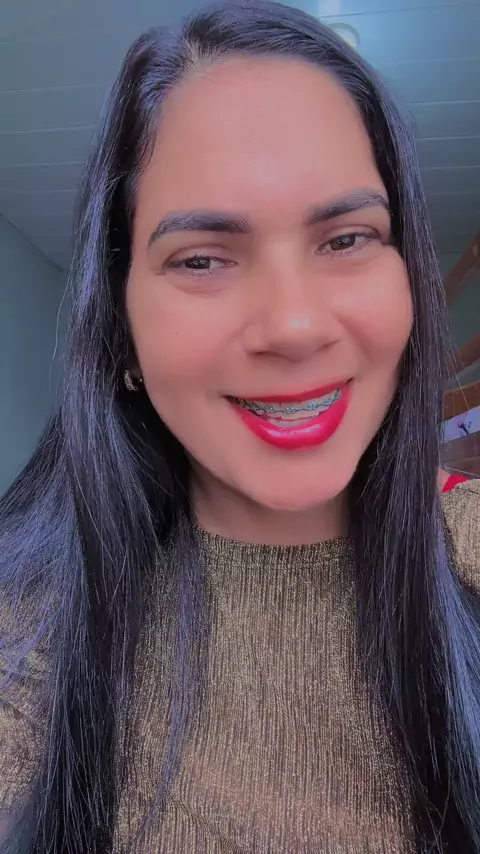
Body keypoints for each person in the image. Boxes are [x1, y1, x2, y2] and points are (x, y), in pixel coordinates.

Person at [0, 2, 479, 852]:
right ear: (121, 326)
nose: (294, 326)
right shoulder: (23, 640)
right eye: (202, 259)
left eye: (347, 239)